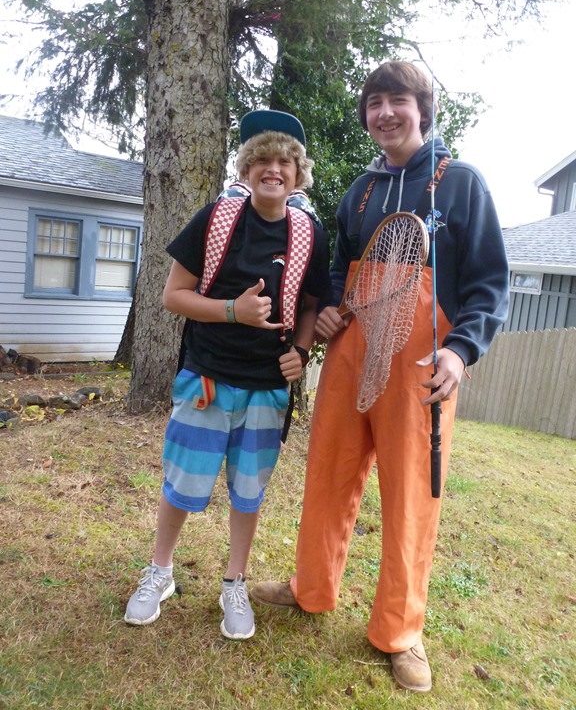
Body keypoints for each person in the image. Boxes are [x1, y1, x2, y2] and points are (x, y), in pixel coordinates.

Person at [250, 61, 509, 691]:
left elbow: (488, 283)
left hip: (420, 363)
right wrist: (333, 307)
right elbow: (341, 267)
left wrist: (459, 352)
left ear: (422, 110)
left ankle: (400, 630)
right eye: (374, 103)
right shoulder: (360, 191)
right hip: (350, 350)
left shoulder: (460, 183)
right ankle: (311, 587)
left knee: (412, 494)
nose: (385, 113)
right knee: (329, 471)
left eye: (398, 101)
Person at [124, 110, 331, 640]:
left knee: (248, 491)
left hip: (267, 386)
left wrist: (300, 350)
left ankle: (234, 582)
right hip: (207, 377)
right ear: (246, 168)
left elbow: (311, 305)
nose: (273, 168)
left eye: (284, 161)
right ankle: (160, 571)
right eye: (262, 158)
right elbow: (173, 296)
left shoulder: (308, 233)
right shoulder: (216, 219)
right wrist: (233, 311)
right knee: (182, 481)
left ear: (298, 174)